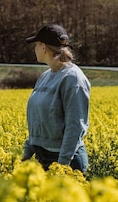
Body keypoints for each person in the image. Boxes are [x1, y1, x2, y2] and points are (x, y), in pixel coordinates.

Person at [21, 23, 90, 174]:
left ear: (43, 47)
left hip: (67, 161)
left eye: (36, 45)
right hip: (43, 158)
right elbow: (39, 120)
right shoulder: (46, 76)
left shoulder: (73, 79)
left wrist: (61, 166)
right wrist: (26, 154)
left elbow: (75, 126)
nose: (35, 49)